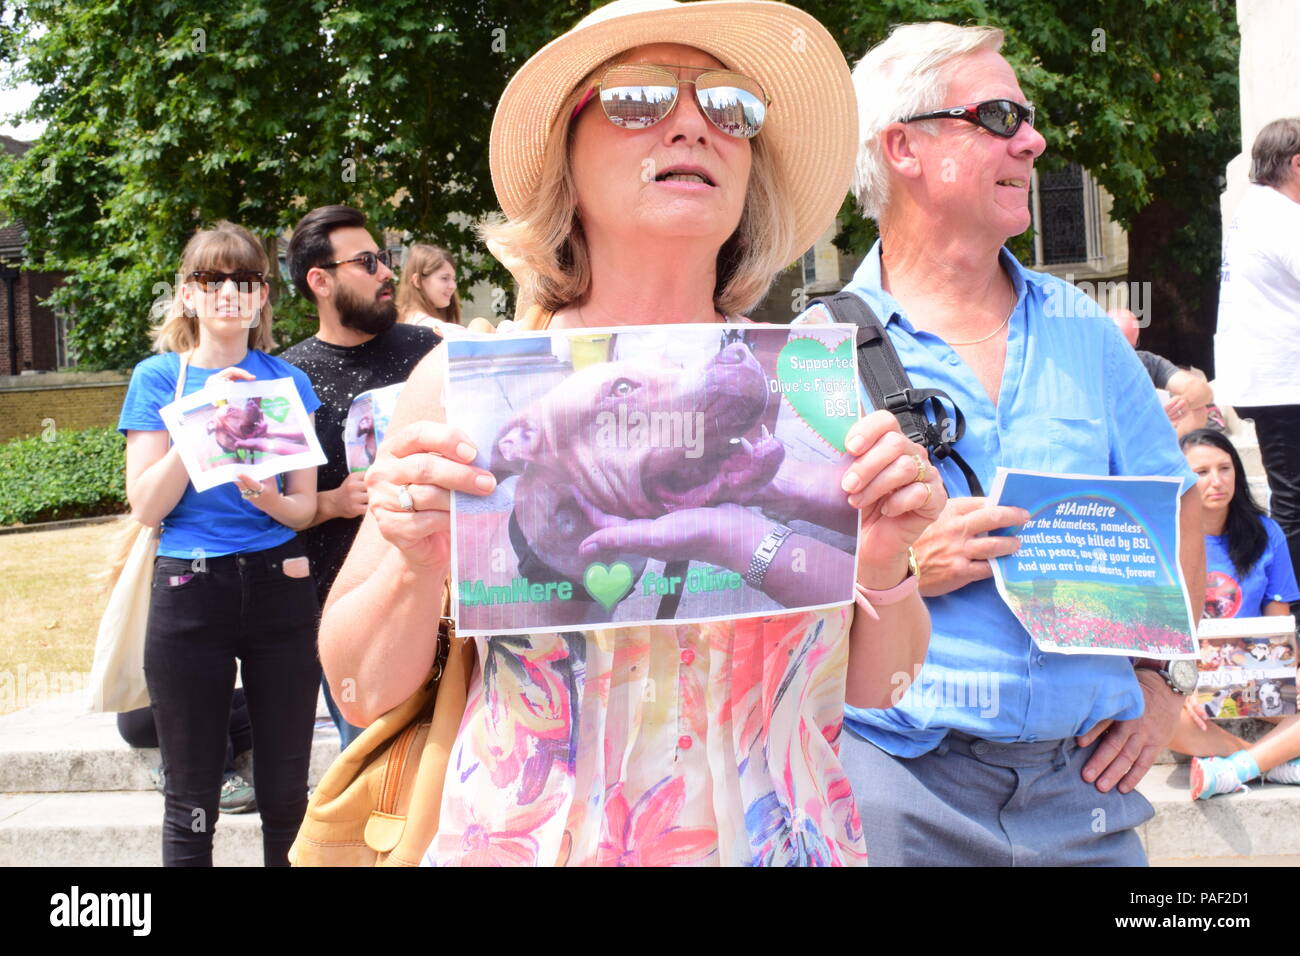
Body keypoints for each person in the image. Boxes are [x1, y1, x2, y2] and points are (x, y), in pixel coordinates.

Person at [320, 0, 946, 867]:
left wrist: (880, 562)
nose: (694, 124)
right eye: (637, 99)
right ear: (563, 162)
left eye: (731, 107)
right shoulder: (469, 391)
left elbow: (881, 687)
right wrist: (412, 560)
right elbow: (358, 693)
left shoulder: (811, 389)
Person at [798, 21, 1205, 866]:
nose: (1035, 139)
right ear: (903, 146)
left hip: (1082, 787)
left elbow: (1180, 511)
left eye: (1026, 116)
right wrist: (903, 571)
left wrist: (1166, 688)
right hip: (896, 788)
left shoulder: (1085, 333)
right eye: (999, 116)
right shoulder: (815, 350)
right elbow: (776, 580)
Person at [117, 221, 322, 866]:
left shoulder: (284, 382)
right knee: (191, 800)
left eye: (244, 280)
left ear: (263, 296)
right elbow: (148, 504)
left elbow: (304, 506)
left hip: (279, 584)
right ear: (187, 294)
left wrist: (265, 495)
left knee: (287, 798)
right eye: (211, 279)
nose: (227, 293)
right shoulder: (158, 378)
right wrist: (205, 417)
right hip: (189, 588)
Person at [280, 205, 439, 749]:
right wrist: (330, 502)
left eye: (386, 258)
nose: (387, 272)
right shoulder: (287, 380)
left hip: (449, 606)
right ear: (319, 281)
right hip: (358, 623)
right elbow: (266, 509)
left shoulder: (430, 354)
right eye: (368, 262)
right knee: (378, 786)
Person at [1163, 429, 1300, 798]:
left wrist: (1287, 672)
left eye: (1225, 468)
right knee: (1149, 711)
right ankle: (1266, 761)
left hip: (1251, 670)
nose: (1217, 481)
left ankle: (1237, 768)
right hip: (1187, 672)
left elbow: (1277, 626)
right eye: (1202, 472)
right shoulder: (1164, 537)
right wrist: (1185, 683)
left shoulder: (1266, 533)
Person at [1215, 117, 1300, 590]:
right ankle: (1290, 605)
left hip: (1270, 378)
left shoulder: (1254, 211)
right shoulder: (1284, 217)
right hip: (1286, 380)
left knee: (1291, 495)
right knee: (1294, 501)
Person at [1109, 307, 1214, 437]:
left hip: (1145, 435)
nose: (1123, 355)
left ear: (1136, 343)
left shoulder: (1146, 362)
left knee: (1198, 410)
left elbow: (1203, 391)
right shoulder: (1087, 365)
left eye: (1129, 348)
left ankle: (1167, 449)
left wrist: (1184, 403)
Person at [397, 243, 464, 339]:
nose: (453, 286)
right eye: (444, 278)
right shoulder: (437, 330)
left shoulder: (400, 322)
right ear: (417, 281)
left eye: (454, 279)